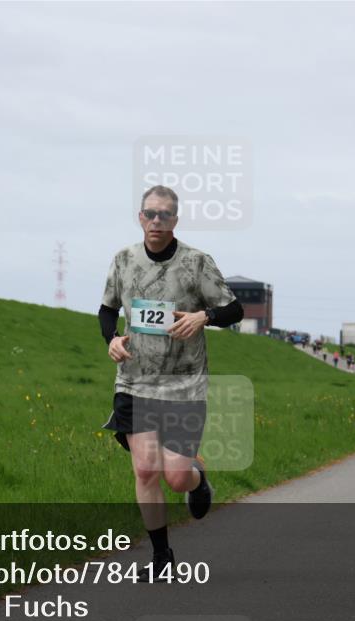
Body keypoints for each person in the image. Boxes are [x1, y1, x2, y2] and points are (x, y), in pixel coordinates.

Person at [99, 185, 244, 578]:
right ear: (140, 218)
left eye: (164, 214)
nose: (156, 220)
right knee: (146, 471)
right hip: (135, 384)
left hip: (183, 387)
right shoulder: (123, 260)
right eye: (150, 213)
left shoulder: (196, 263)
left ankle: (197, 479)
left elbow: (234, 309)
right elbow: (107, 310)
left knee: (176, 478)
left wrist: (204, 317)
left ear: (175, 220)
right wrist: (112, 339)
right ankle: (161, 558)